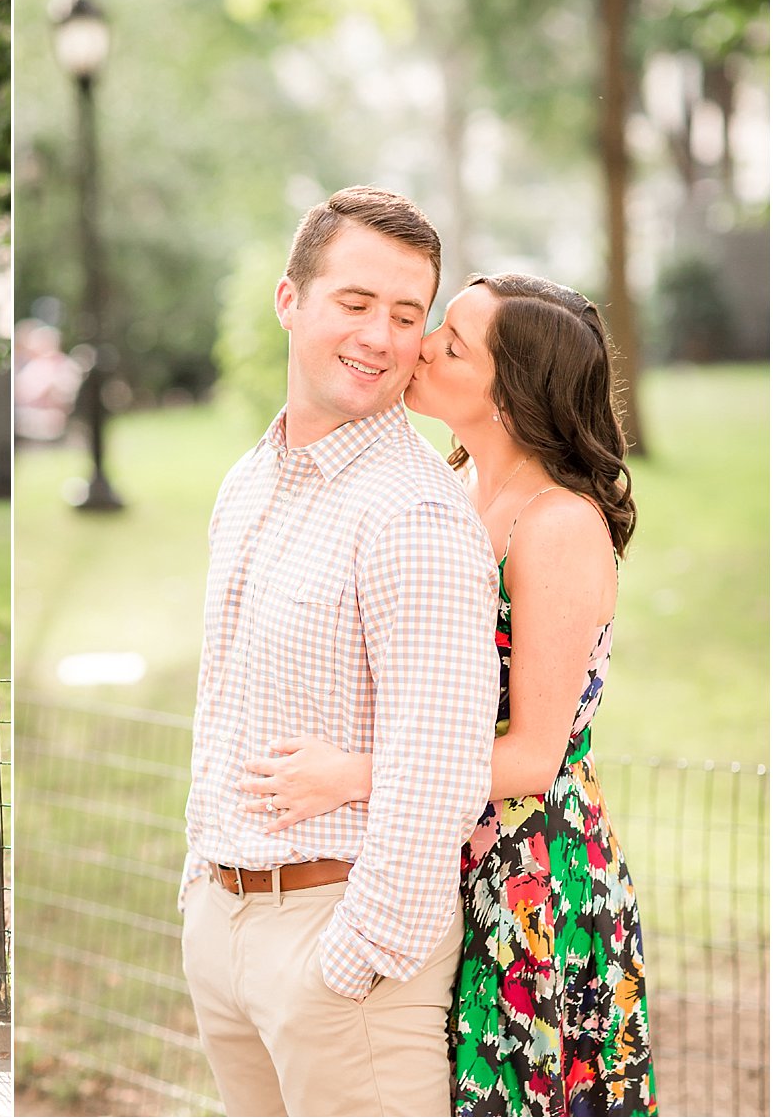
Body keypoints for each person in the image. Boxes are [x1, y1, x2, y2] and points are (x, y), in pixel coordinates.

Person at [244, 274, 657, 1114]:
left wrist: (353, 774)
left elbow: (536, 757)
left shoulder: (556, 526)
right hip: (439, 852)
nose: (421, 344)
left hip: (529, 882)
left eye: (453, 343)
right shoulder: (453, 485)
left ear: (509, 394)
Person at [180, 185, 501, 1117]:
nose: (381, 336)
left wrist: (357, 956)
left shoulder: (416, 514)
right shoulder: (247, 483)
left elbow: (442, 761)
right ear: (291, 301)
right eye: (355, 303)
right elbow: (220, 700)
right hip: (225, 924)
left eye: (407, 316)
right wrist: (200, 886)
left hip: (341, 944)